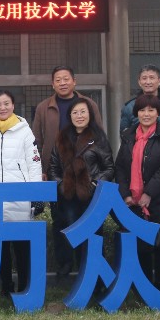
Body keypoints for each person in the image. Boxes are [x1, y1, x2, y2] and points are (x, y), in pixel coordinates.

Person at [31, 65, 103, 278]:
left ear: (74, 81)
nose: (62, 83)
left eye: (66, 79)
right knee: (61, 218)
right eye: (58, 80)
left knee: (86, 217)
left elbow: (99, 135)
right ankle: (64, 263)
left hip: (85, 172)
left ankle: (85, 263)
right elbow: (36, 141)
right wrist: (41, 169)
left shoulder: (89, 104)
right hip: (56, 171)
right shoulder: (44, 107)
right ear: (52, 84)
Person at [0, 90, 43, 297]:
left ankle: (24, 287)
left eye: (6, 103)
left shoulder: (25, 132)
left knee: (22, 246)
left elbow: (34, 164)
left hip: (20, 199)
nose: (2, 108)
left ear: (13, 105)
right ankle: (6, 286)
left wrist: (36, 195)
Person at [114, 93, 160, 293]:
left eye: (151, 110)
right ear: (136, 113)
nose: (146, 114)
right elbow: (120, 168)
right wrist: (126, 194)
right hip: (133, 202)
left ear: (158, 113)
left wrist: (149, 193)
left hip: (159, 200)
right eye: (142, 110)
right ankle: (144, 286)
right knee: (141, 244)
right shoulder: (128, 137)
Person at [48, 96, 114, 279]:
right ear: (70, 116)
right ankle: (74, 270)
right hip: (68, 197)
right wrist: (62, 185)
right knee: (70, 231)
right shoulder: (62, 137)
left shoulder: (98, 138)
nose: (79, 116)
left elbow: (109, 168)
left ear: (89, 114)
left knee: (92, 235)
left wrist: (94, 184)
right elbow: (53, 167)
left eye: (83, 112)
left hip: (91, 197)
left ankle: (95, 276)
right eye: (75, 112)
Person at [119, 64, 160, 131]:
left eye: (151, 78)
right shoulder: (129, 107)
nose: (148, 82)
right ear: (139, 82)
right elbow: (124, 133)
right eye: (144, 78)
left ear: (159, 81)